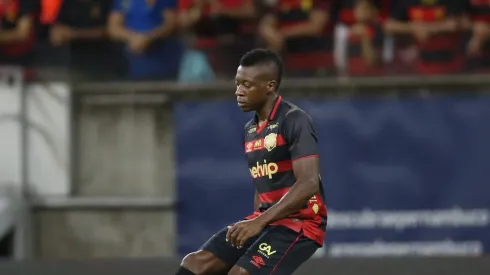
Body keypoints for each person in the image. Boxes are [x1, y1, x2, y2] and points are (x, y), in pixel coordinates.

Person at [175, 48, 327, 275]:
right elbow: (263, 186)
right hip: (267, 220)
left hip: (300, 223)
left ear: (270, 86)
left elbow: (308, 183)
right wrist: (257, 223)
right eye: (237, 83)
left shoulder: (295, 120)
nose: (238, 91)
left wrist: (259, 222)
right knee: (195, 264)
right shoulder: (250, 129)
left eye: (247, 85)